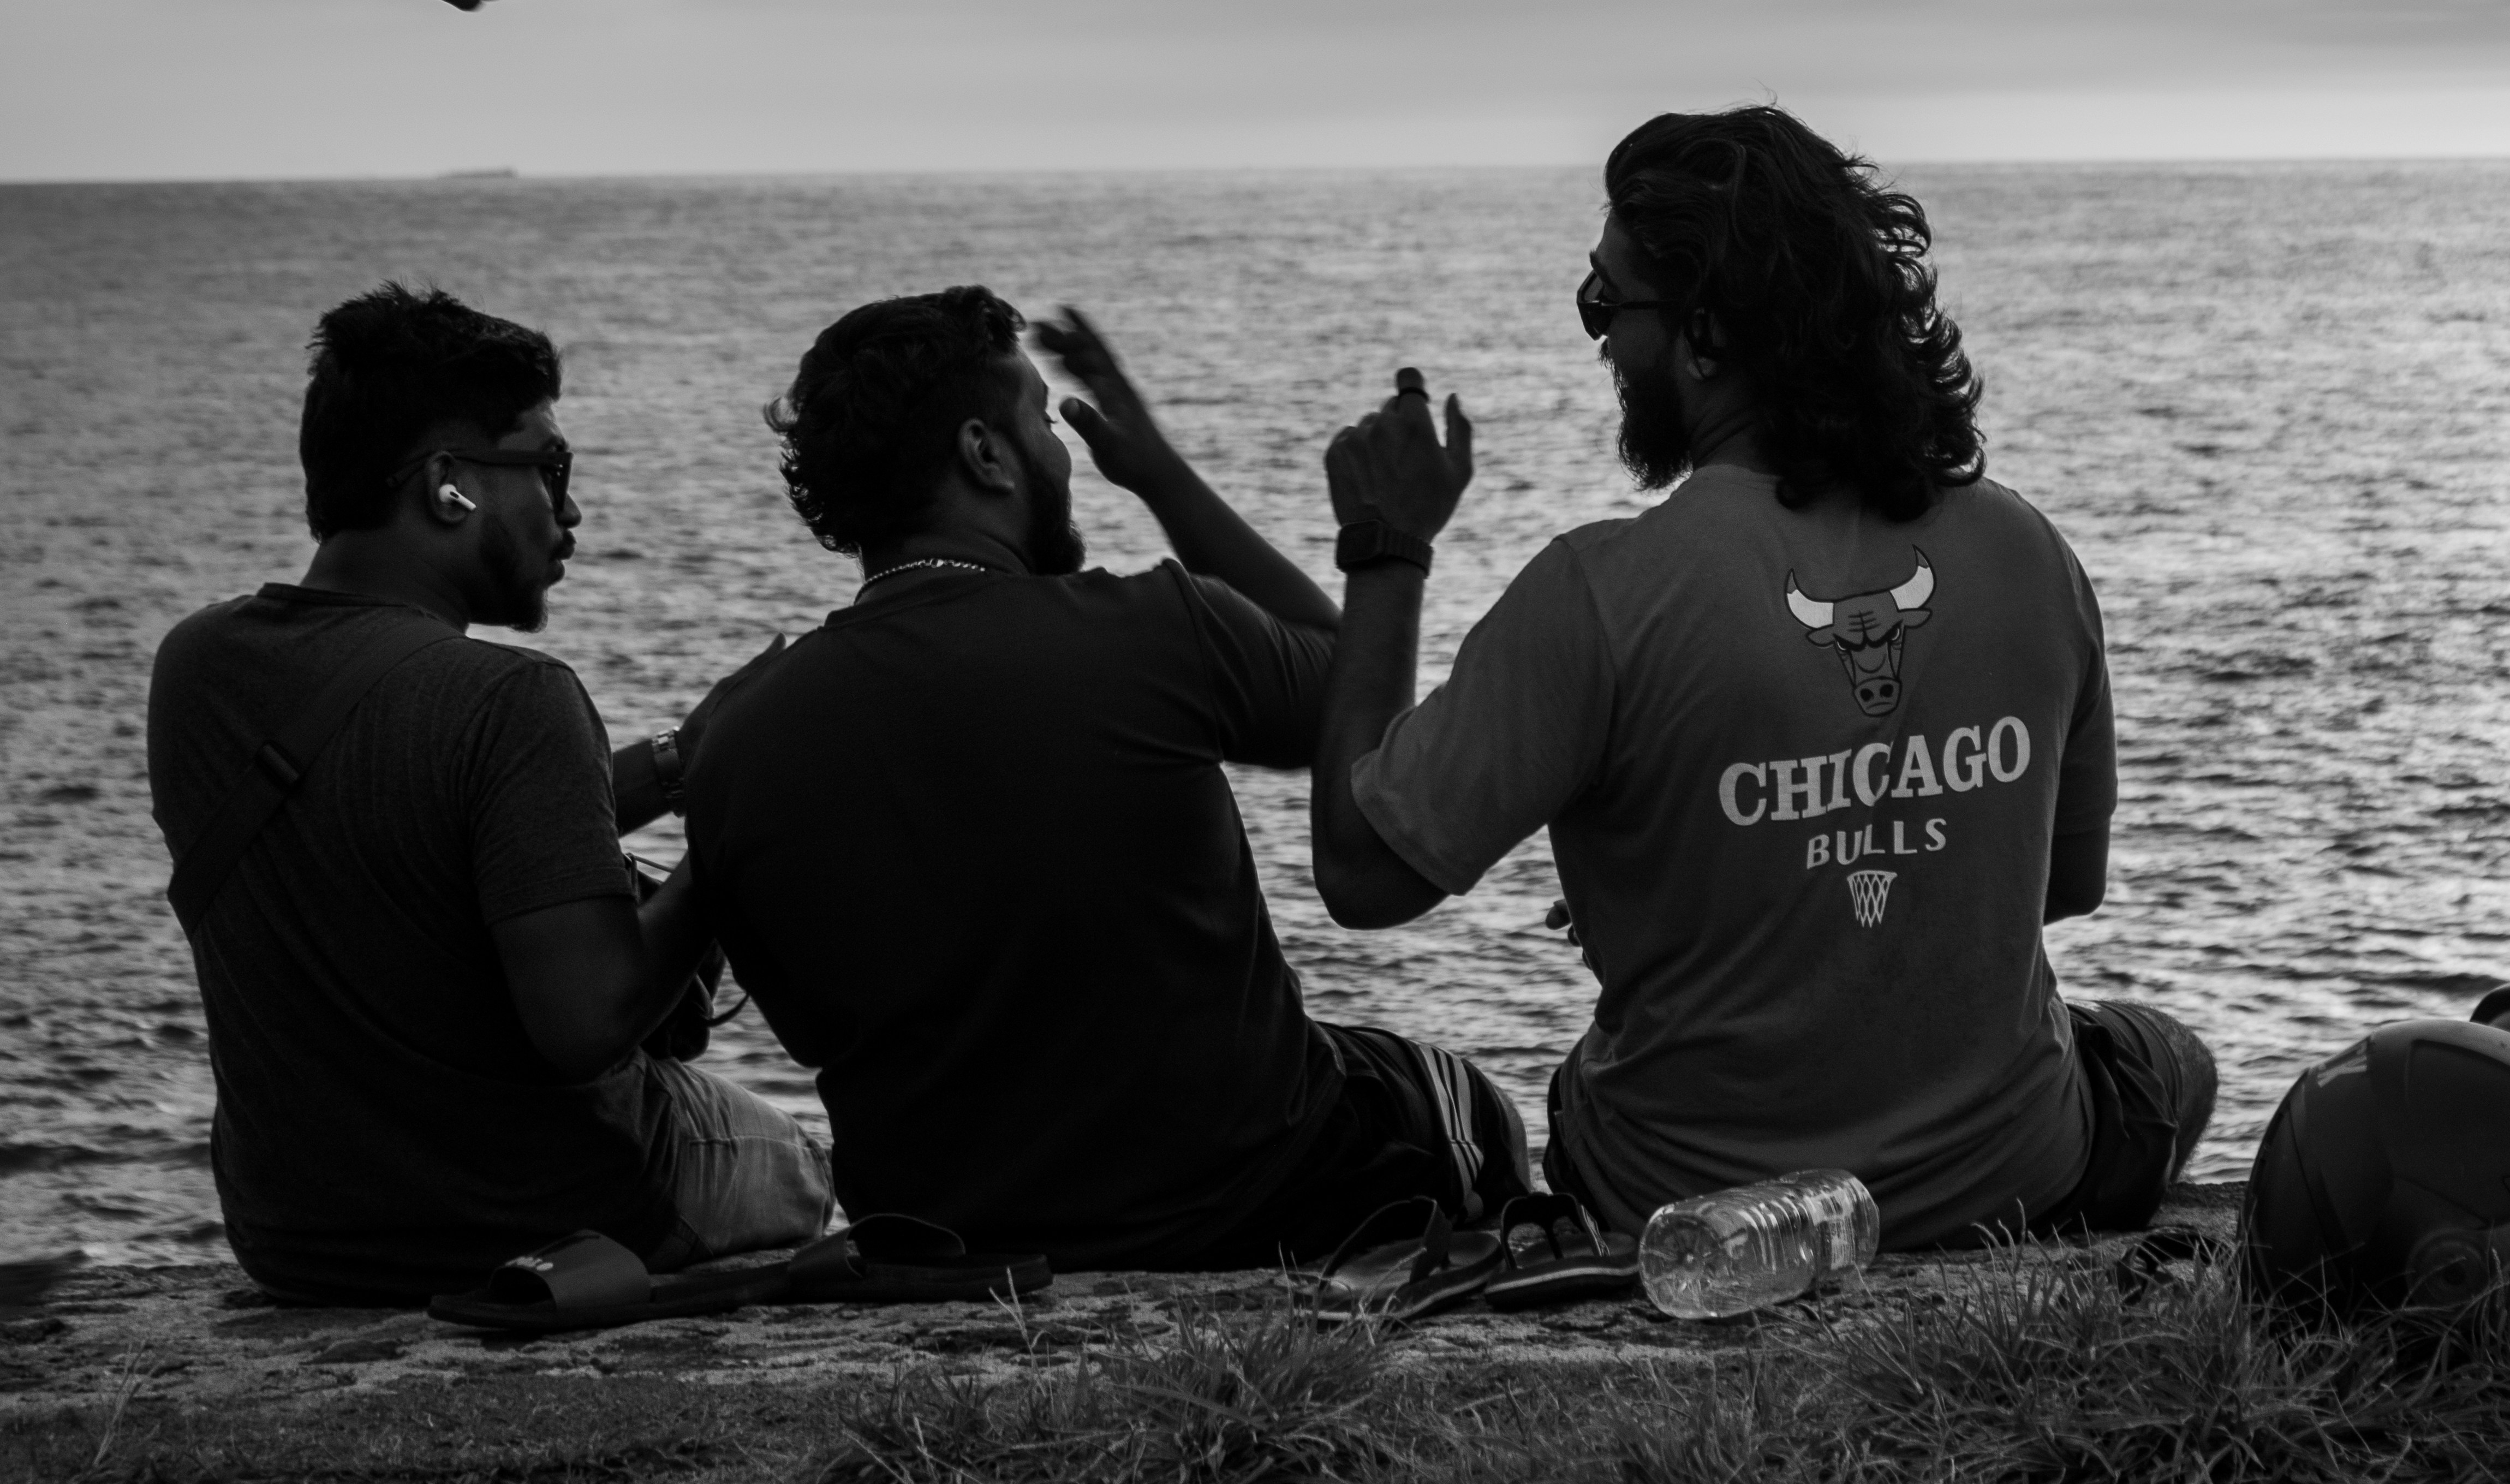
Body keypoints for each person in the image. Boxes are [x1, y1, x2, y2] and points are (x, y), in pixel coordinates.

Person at [1307, 106, 2217, 1248]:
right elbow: (2058, 885)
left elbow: (1359, 873)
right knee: (2167, 1056)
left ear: (1705, 341)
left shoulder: (1598, 592)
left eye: (1606, 303)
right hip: (2007, 1181)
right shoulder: (2026, 553)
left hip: (1683, 1207)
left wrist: (1385, 550)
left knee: (1559, 1096)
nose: (1596, 339)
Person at [683, 287, 1530, 1271]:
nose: (1064, 452)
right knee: (1467, 1106)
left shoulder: (739, 740)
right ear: (984, 454)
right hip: (1247, 1200)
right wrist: (1164, 477)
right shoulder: (1155, 632)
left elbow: (806, 1025)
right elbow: (1350, 696)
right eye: (1042, 420)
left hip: (940, 1237)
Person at [146, 283, 831, 1303]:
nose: (572, 508)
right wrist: (729, 824)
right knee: (803, 1163)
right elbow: (588, 1021)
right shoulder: (517, 699)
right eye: (549, 467)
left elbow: (418, 815)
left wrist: (681, 758)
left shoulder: (198, 666)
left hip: (298, 1236)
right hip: (543, 1220)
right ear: (449, 486)